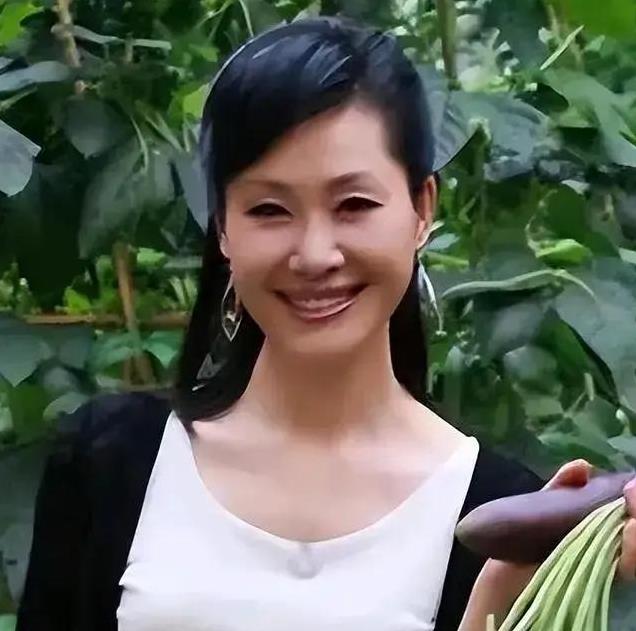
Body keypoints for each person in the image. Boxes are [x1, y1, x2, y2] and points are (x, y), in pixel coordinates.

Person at [16, 16, 636, 631]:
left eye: (354, 204)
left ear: (422, 209)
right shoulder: (109, 462)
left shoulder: (497, 518)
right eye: (269, 209)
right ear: (223, 227)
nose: (315, 255)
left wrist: (503, 594)